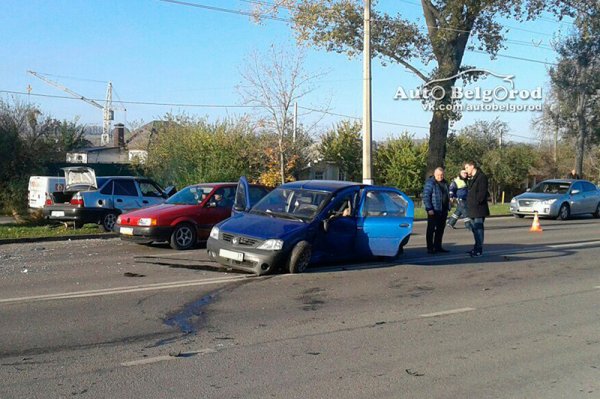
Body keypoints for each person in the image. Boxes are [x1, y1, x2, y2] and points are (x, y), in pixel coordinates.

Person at [422, 167, 451, 254]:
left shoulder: (445, 183)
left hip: (443, 210)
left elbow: (447, 194)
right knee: (431, 229)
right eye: (438, 175)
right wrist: (429, 208)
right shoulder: (430, 183)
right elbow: (426, 196)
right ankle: (430, 248)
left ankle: (438, 246)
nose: (440, 176)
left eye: (441, 175)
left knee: (440, 229)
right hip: (434, 210)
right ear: (435, 174)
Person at [464, 161, 490, 257]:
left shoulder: (481, 177)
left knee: (479, 229)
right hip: (471, 208)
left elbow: (482, 193)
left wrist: (476, 202)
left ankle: (479, 250)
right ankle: (476, 247)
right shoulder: (472, 178)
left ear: (472, 166)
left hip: (479, 208)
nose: (466, 170)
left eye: (467, 167)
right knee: (474, 229)